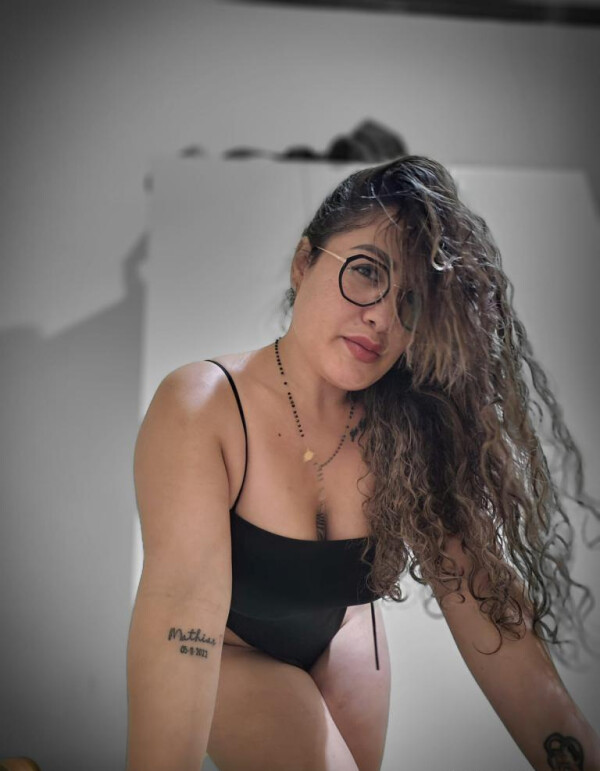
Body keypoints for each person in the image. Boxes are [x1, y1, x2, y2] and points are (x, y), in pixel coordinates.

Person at [125, 155, 600, 771]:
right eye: (367, 272)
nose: (381, 316)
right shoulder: (204, 405)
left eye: (410, 302)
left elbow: (488, 610)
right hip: (227, 648)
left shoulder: (411, 426)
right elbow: (183, 611)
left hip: (347, 639)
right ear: (304, 263)